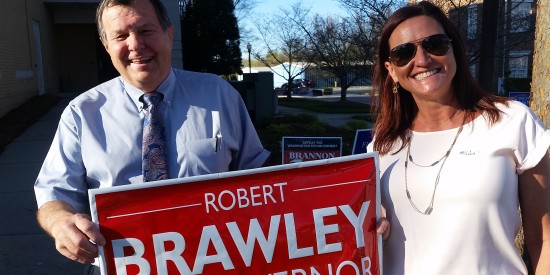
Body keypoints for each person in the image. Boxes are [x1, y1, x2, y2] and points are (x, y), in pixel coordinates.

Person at [34, 0, 269, 273]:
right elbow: (54, 193)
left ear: (169, 34)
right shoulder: (82, 113)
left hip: (216, 261)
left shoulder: (220, 95)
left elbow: (259, 183)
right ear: (106, 45)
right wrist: (60, 222)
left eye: (146, 31)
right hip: (121, 265)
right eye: (121, 36)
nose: (135, 45)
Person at [367, 2, 550, 274]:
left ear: (455, 50)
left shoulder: (513, 122)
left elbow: (544, 239)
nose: (422, 60)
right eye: (403, 52)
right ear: (392, 70)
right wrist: (374, 233)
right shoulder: (382, 146)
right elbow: (371, 238)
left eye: (435, 44)